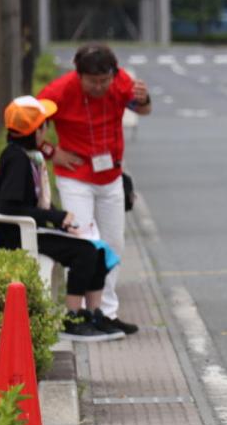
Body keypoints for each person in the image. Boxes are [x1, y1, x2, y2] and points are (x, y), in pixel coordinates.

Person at [37, 43, 151, 335]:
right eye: (93, 82)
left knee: (113, 245)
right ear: (79, 76)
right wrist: (52, 152)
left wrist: (144, 98)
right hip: (75, 176)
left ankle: (103, 311)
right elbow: (28, 124)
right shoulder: (60, 91)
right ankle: (77, 314)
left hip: (111, 175)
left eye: (105, 80)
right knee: (84, 242)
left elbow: (145, 109)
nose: (100, 87)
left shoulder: (122, 81)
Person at [0, 97, 123, 342]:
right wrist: (56, 216)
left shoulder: (27, 156)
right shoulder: (18, 161)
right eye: (45, 124)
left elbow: (33, 201)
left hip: (33, 229)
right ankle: (71, 319)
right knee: (84, 252)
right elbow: (9, 207)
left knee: (99, 250)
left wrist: (62, 221)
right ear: (36, 130)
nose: (47, 129)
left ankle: (93, 314)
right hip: (19, 235)